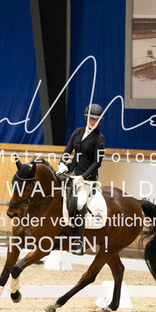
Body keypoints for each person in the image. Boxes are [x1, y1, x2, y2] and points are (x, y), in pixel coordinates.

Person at [57, 103, 105, 254]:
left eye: (96, 119)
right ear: (86, 117)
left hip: (87, 178)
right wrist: (62, 163)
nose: (93, 121)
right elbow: (68, 149)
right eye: (91, 118)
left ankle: (78, 240)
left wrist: (83, 177)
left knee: (79, 203)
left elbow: (97, 162)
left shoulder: (99, 138)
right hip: (71, 171)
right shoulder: (77, 132)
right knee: (55, 193)